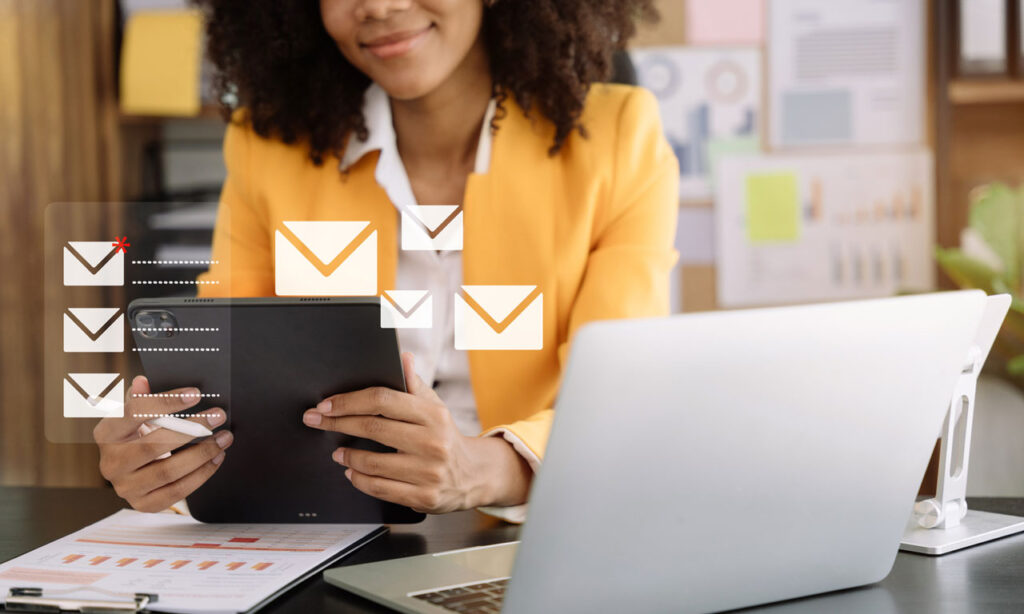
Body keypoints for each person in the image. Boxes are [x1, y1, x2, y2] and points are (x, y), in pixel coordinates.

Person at [95, 0, 678, 519]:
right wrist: (165, 452)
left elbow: (620, 395)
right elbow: (223, 380)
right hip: (333, 522)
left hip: (540, 524)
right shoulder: (268, 145)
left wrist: (482, 469)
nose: (378, 6)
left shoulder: (618, 138)